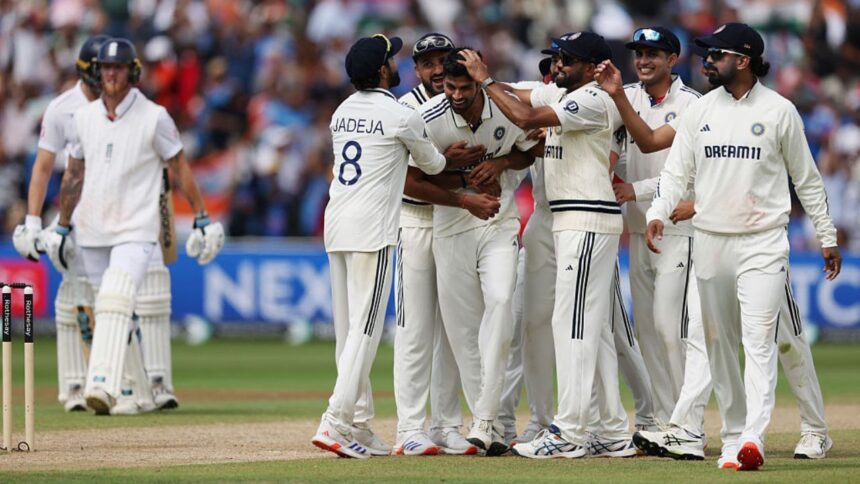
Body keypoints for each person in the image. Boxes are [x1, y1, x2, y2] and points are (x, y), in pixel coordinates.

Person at [597, 40, 836, 463]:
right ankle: (720, 435)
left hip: (763, 242)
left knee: (779, 341)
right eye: (706, 55)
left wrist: (826, 235)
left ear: (743, 60)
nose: (706, 61)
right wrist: (659, 211)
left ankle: (801, 431)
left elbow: (808, 180)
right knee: (712, 343)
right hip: (710, 241)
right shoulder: (701, 110)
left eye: (717, 55)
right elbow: (676, 171)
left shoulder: (779, 110)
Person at [459, 32, 634, 459]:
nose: (557, 65)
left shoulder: (592, 98)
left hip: (587, 218)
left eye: (567, 59)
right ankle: (607, 429)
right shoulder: (561, 89)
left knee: (573, 325)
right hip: (563, 220)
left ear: (593, 67)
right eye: (556, 57)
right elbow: (518, 92)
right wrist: (480, 79)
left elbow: (522, 115)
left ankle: (571, 431)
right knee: (573, 325)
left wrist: (483, 81)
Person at [311, 34, 477, 459]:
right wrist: (453, 159)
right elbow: (434, 164)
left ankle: (361, 423)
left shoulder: (341, 112)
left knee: (348, 330)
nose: (395, 63)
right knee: (365, 330)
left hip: (337, 225)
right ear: (382, 71)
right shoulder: (397, 113)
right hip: (373, 230)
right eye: (391, 59)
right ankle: (335, 421)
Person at [43, 38, 224, 416]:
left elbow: (179, 167)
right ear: (97, 72)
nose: (111, 74)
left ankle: (102, 386)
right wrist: (62, 226)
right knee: (105, 308)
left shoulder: (154, 116)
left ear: (132, 72)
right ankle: (137, 392)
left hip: (138, 229)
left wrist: (202, 216)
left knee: (116, 296)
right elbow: (73, 175)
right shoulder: (83, 118)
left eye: (118, 68)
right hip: (91, 228)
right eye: (105, 68)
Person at [414, 47, 540, 456]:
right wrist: (454, 174)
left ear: (477, 82)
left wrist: (501, 165)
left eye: (463, 87)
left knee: (502, 303)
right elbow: (408, 181)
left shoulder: (504, 106)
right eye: (448, 87)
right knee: (463, 332)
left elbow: (531, 148)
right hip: (451, 226)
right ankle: (489, 423)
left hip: (500, 221)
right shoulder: (429, 119)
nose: (454, 94)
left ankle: (486, 420)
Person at [608, 27, 708, 428]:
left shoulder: (692, 104)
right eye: (639, 54)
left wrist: (635, 189)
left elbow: (684, 174)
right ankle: (662, 423)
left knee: (672, 331)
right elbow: (611, 147)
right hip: (636, 231)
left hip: (675, 231)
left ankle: (689, 425)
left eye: (653, 54)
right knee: (648, 333)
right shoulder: (626, 96)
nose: (644, 60)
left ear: (672, 59)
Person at [393, 32, 478, 456]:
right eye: (428, 62)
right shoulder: (406, 109)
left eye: (443, 59)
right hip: (414, 221)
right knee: (414, 328)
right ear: (417, 69)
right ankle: (409, 426)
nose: (437, 68)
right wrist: (455, 174)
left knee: (452, 330)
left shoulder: (464, 102)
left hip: (453, 221)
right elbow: (414, 180)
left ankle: (446, 424)